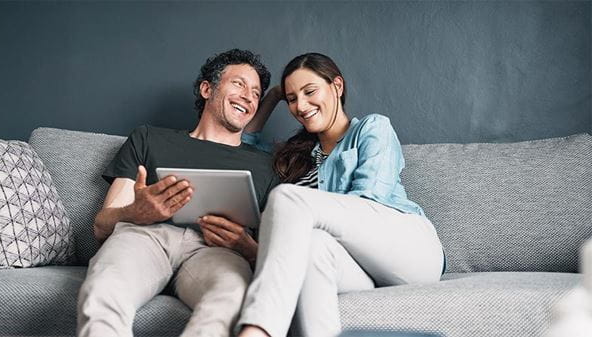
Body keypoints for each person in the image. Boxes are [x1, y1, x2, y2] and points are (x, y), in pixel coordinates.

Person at [233, 53, 446, 337]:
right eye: (292, 98)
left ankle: (258, 331)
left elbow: (368, 202)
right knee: (312, 247)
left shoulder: (372, 128)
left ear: (337, 86)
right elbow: (245, 141)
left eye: (310, 92)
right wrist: (273, 96)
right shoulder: (298, 157)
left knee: (288, 199)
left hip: (410, 249)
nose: (301, 105)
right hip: (359, 266)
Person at [76, 49, 279, 337]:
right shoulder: (149, 138)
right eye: (238, 84)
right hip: (144, 238)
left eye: (256, 92)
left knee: (232, 298)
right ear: (207, 89)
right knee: (104, 289)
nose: (248, 96)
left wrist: (245, 246)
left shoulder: (266, 165)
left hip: (217, 253)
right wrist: (135, 213)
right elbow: (101, 226)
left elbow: (275, 256)